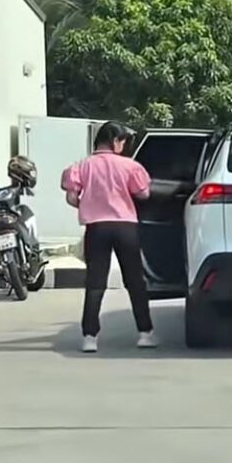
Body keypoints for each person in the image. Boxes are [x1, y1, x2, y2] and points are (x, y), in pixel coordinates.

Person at [61, 121, 158, 353]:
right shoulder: (129, 166)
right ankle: (145, 333)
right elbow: (143, 194)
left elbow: (72, 198)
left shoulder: (81, 166)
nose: (123, 146)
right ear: (115, 141)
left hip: (96, 228)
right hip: (125, 227)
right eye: (122, 141)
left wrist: (90, 205)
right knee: (135, 281)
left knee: (95, 283)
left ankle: (90, 337)